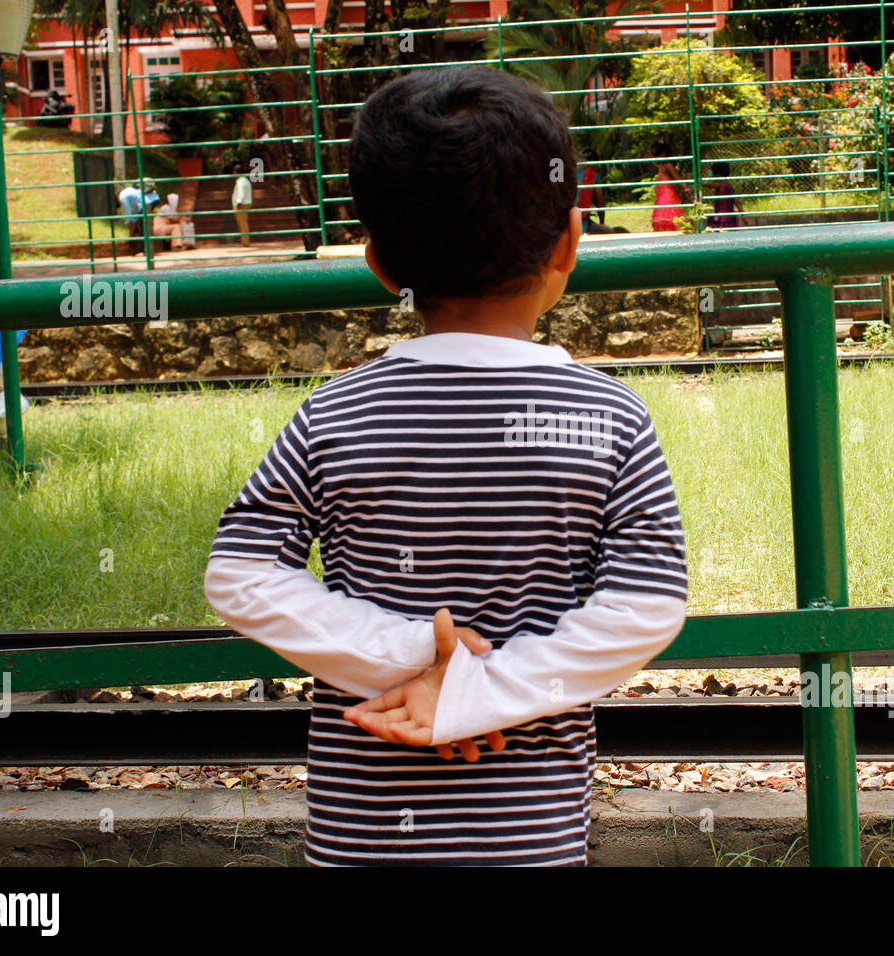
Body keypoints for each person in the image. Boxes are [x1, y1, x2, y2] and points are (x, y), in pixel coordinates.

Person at [203, 65, 688, 867]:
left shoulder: (336, 414)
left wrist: (410, 654)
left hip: (363, 833)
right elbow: (645, 605)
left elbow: (242, 573)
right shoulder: (610, 417)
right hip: (527, 833)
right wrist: (480, 690)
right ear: (570, 239)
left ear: (380, 263)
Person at [651, 141, 693, 232]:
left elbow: (679, 179)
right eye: (652, 155)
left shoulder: (667, 165)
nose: (654, 158)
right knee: (663, 221)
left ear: (663, 154)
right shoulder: (662, 166)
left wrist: (689, 193)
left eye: (655, 154)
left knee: (667, 221)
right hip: (663, 197)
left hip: (667, 198)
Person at [707, 161, 748, 230]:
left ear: (718, 175)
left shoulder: (719, 185)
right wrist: (743, 214)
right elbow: (737, 202)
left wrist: (709, 174)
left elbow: (706, 183)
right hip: (729, 217)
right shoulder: (729, 186)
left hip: (721, 219)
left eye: (713, 174)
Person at [576, 148, 606, 234]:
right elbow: (600, 202)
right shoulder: (593, 175)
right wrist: (602, 222)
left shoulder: (570, 172)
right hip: (582, 222)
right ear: (595, 163)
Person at [231, 162, 253, 246]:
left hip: (242, 204)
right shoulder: (244, 180)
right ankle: (244, 241)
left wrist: (239, 202)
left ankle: (245, 242)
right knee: (242, 223)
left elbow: (241, 192)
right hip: (245, 203)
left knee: (242, 223)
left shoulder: (240, 181)